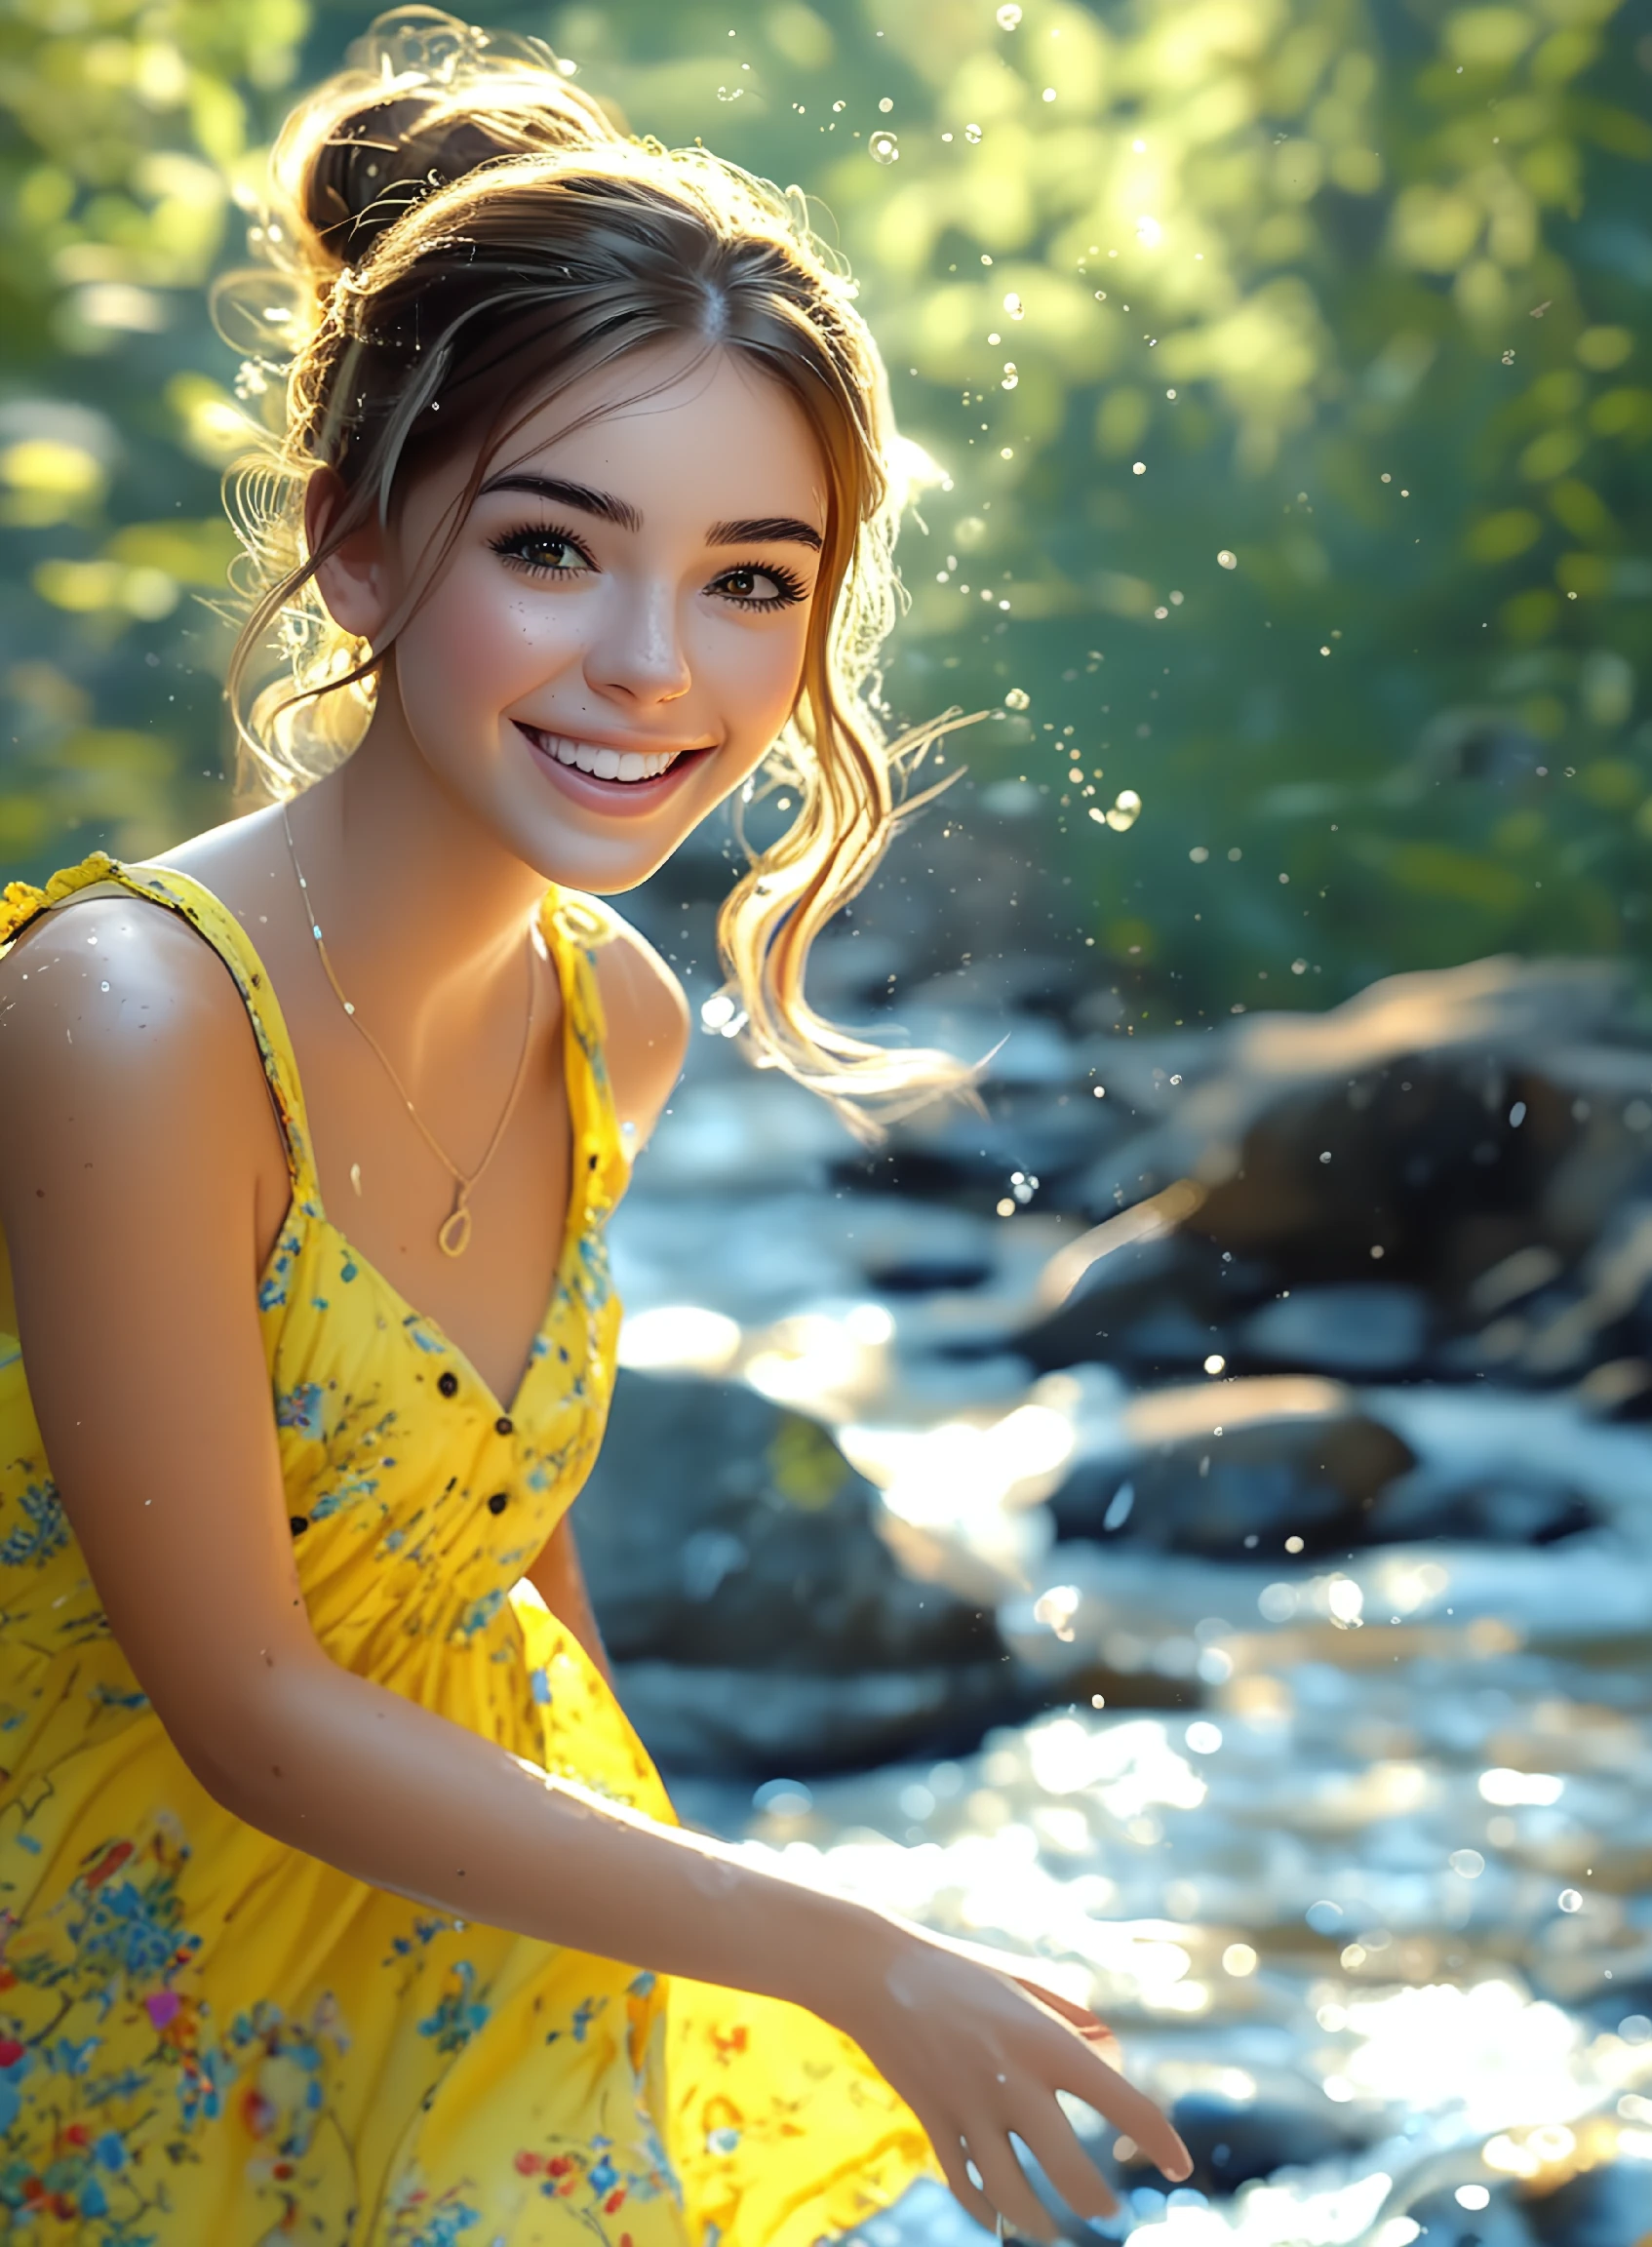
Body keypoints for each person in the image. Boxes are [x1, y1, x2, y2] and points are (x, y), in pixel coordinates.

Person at [0, 11, 1190, 2239]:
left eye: (753, 578)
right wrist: (848, 1959)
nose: (660, 663)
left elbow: (498, 1565)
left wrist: (686, 1959)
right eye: (554, 548)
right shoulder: (126, 1020)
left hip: (447, 1981)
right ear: (357, 547)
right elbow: (243, 1699)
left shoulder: (608, 1016)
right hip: (89, 1993)